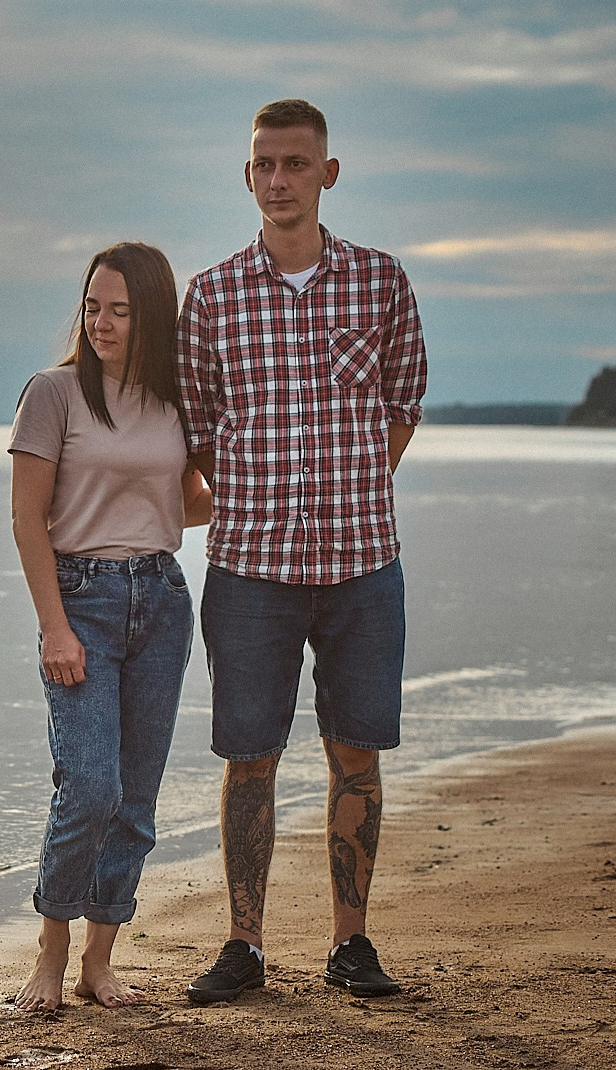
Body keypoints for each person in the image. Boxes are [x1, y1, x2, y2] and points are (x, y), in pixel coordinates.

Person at [175, 98, 427, 1003]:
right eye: (263, 166)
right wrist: (261, 496)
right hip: (250, 569)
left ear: (327, 172)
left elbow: (402, 408)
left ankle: (350, 944)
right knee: (251, 756)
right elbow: (198, 430)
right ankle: (244, 944)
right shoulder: (210, 296)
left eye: (295, 163)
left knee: (356, 752)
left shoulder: (381, 282)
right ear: (248, 177)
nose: (278, 180)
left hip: (363, 563)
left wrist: (349, 487)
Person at [7, 241, 213, 1010]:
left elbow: (184, 500)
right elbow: (29, 518)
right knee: (88, 785)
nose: (102, 322)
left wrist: (260, 493)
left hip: (160, 598)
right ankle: (51, 951)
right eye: (94, 306)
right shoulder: (53, 394)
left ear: (152, 315)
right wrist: (53, 627)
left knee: (135, 796)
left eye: (121, 310)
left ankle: (100, 958)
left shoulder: (175, 400)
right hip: (81, 597)